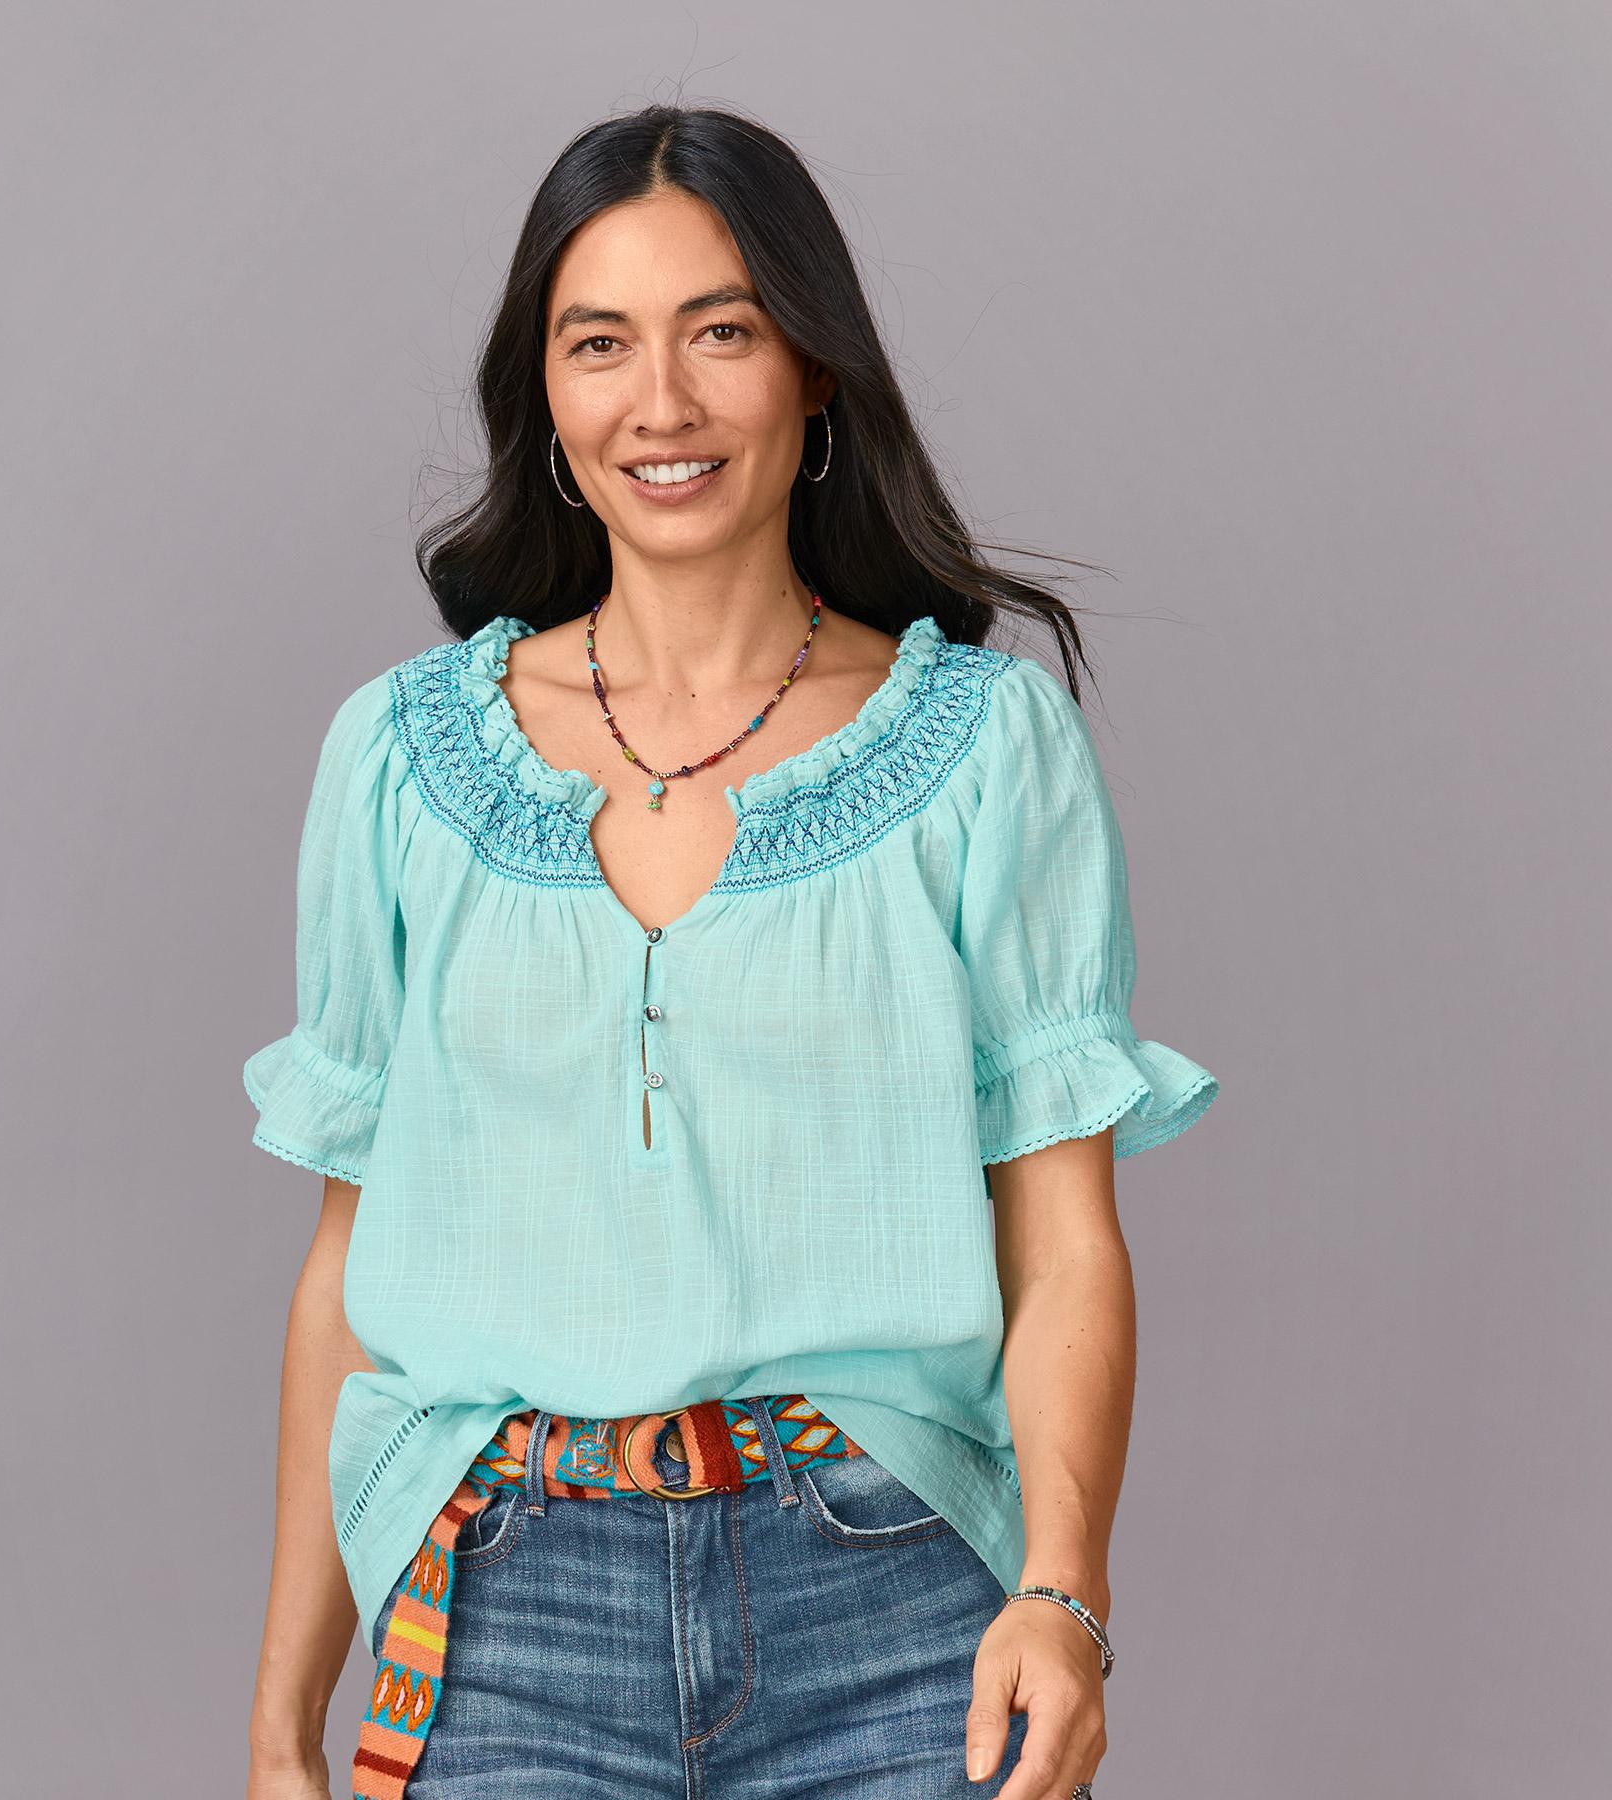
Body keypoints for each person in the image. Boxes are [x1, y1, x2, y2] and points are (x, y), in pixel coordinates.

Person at [241, 103, 1217, 1800]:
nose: (661, 404)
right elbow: (346, 1267)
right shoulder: (398, 761)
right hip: (504, 1617)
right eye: (599, 343)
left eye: (722, 332)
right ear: (545, 395)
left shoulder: (987, 753)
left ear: (815, 370)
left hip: (896, 1604)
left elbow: (1063, 1243)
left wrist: (1065, 1593)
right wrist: (280, 1722)